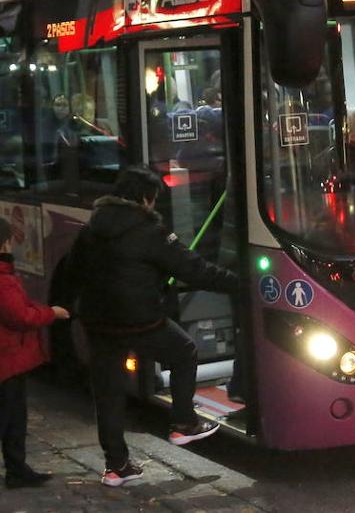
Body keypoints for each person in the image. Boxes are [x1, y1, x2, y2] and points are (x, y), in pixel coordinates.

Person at [62, 166, 239, 487]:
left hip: (98, 322)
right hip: (140, 319)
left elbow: (72, 272)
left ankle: (116, 466)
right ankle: (184, 422)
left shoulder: (91, 229)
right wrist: (239, 284)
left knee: (108, 393)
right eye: (154, 200)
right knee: (184, 351)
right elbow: (194, 269)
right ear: (145, 199)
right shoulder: (150, 231)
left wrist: (74, 310)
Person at [0, 216, 71, 499]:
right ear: (5, 242)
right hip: (2, 356)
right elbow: (19, 315)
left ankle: (16, 469)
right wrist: (51, 314)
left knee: (16, 413)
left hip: (5, 355)